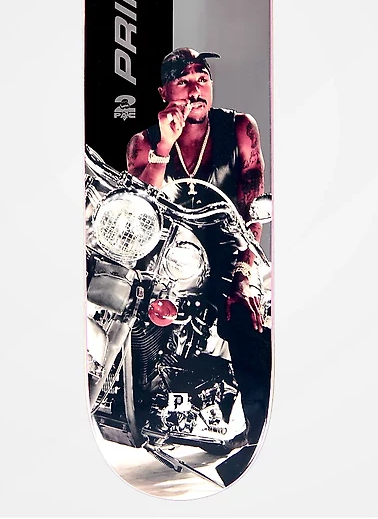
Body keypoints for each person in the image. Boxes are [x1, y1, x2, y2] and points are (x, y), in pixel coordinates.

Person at [126, 47, 271, 474]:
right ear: (163, 92)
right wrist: (164, 146)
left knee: (245, 322)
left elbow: (250, 211)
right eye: (183, 81)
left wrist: (243, 275)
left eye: (202, 79)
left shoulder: (240, 129)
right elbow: (140, 206)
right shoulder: (143, 143)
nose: (195, 89)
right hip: (166, 258)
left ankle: (260, 439)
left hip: (226, 251)